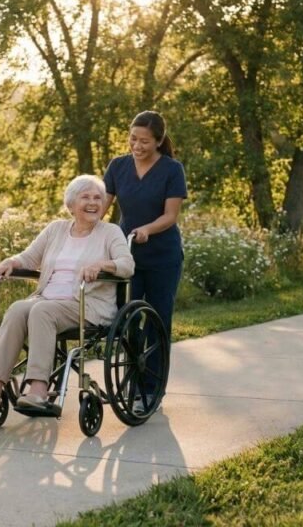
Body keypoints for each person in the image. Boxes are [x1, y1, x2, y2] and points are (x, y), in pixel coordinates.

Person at [0, 175, 135, 413]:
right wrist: (11, 261)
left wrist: (101, 265)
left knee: (42, 310)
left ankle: (39, 391)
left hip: (87, 305)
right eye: (86, 197)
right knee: (18, 308)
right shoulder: (56, 229)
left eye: (98, 198)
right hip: (48, 301)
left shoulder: (110, 232)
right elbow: (30, 257)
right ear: (71, 205)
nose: (93, 203)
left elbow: (127, 264)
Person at [102, 110, 187, 415]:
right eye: (133, 139)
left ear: (159, 141)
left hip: (162, 256)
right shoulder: (118, 166)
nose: (137, 145)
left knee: (157, 320)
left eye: (145, 141)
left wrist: (146, 230)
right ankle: (130, 380)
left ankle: (152, 386)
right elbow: (102, 205)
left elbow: (170, 216)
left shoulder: (171, 170)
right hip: (127, 256)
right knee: (125, 319)